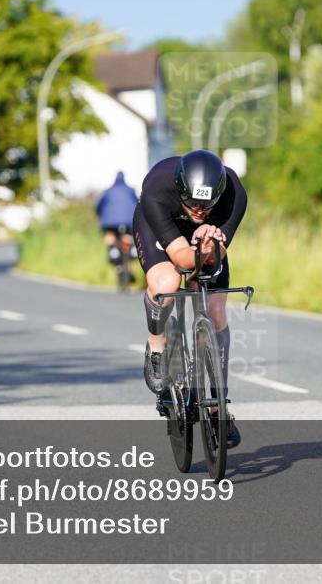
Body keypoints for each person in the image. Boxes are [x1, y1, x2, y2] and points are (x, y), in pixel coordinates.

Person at [133, 150, 247, 448]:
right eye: (193, 202)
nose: (199, 210)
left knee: (215, 310)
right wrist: (197, 246)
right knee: (167, 283)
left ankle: (218, 406)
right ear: (181, 189)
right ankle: (157, 345)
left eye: (207, 204)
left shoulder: (234, 195)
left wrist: (209, 246)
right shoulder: (157, 189)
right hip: (161, 226)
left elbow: (213, 258)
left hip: (205, 240)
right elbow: (183, 259)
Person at [95, 171, 139, 263]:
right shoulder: (131, 190)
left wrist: (98, 213)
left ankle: (113, 250)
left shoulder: (108, 191)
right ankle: (132, 249)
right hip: (129, 222)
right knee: (128, 235)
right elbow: (138, 203)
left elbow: (98, 206)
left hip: (109, 223)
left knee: (110, 234)